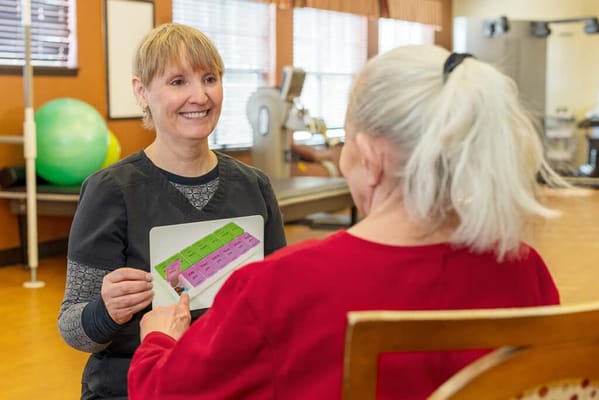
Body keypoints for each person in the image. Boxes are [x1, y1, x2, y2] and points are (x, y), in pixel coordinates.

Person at [127, 45, 563, 400]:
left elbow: (163, 393)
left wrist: (158, 341)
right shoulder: (524, 268)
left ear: (371, 159)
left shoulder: (278, 287)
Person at [57, 23, 287, 400]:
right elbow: (73, 328)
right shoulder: (109, 191)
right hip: (132, 386)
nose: (199, 96)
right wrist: (106, 310)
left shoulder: (254, 186)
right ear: (141, 92)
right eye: (178, 82)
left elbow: (281, 301)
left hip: (229, 384)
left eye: (210, 78)